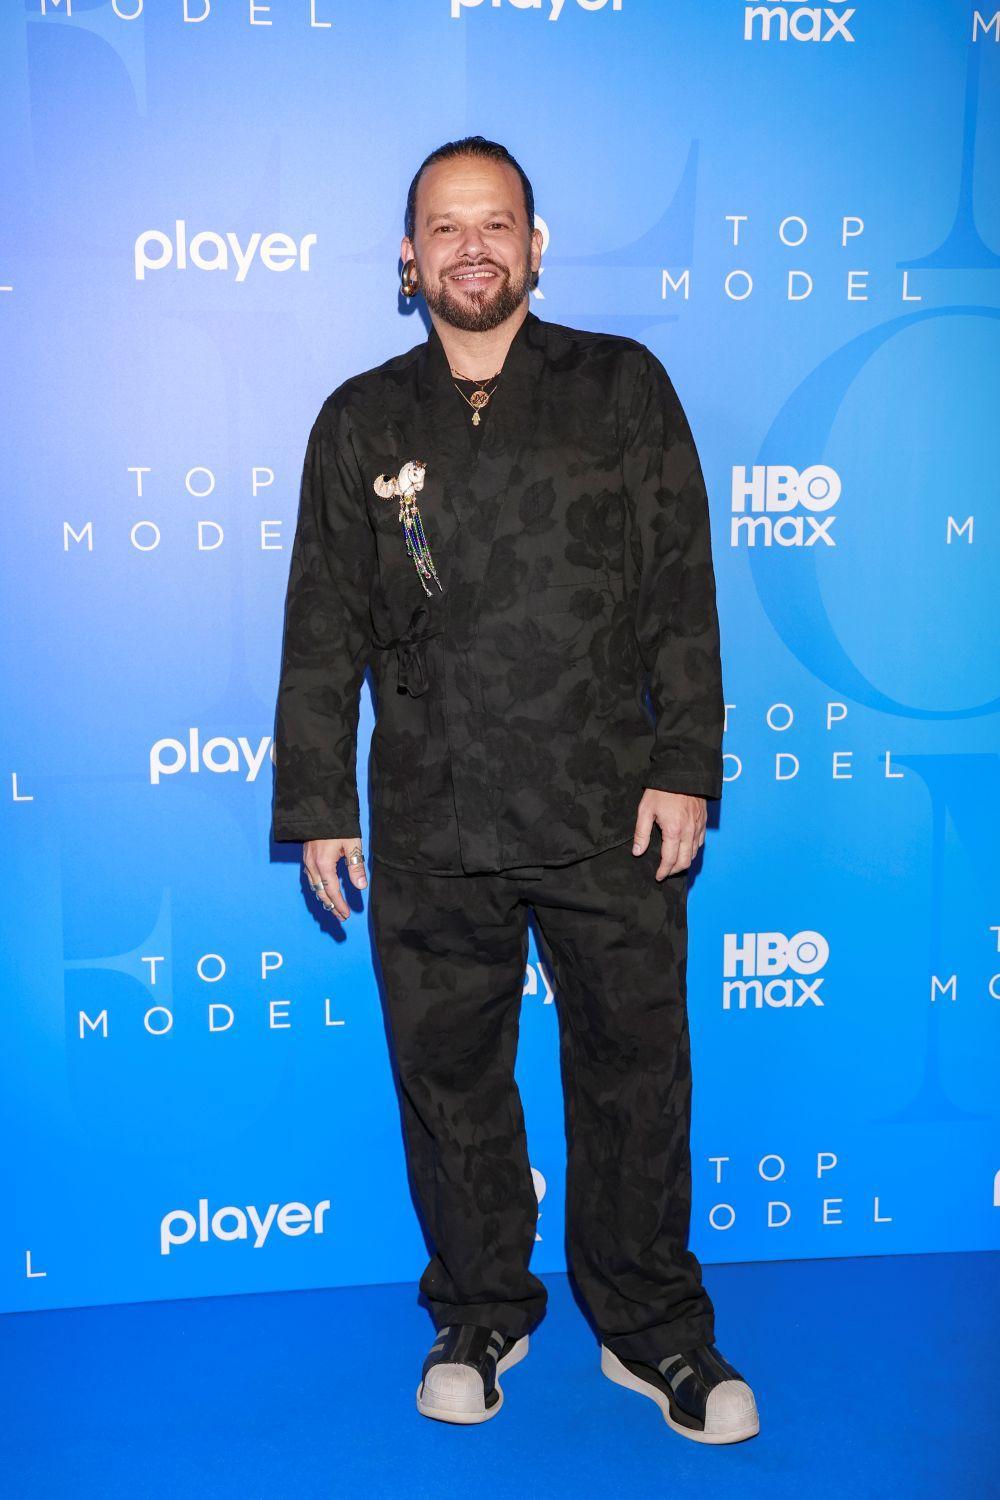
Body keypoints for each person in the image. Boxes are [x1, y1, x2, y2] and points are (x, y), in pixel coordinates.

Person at [271, 135, 759, 1444]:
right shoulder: (361, 419)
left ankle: (651, 1326)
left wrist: (686, 766)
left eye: (496, 224)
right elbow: (322, 627)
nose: (471, 248)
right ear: (409, 258)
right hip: (432, 809)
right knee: (450, 1079)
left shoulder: (620, 386)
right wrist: (320, 804)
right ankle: (482, 1311)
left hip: (610, 806)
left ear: (535, 249)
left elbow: (681, 593)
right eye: (445, 227)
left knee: (636, 1073)